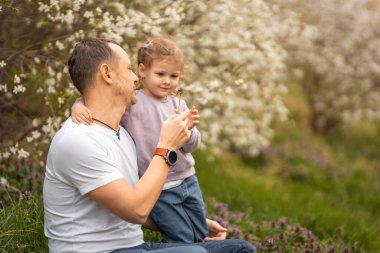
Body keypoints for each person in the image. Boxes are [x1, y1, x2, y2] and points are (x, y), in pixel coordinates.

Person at [43, 38, 255, 253]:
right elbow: (137, 211)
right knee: (195, 252)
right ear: (107, 74)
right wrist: (166, 147)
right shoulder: (78, 141)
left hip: (135, 246)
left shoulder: (122, 134)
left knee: (240, 249)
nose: (136, 77)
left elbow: (129, 203)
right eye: (128, 68)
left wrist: (192, 221)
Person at [71, 37, 208, 243]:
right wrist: (78, 105)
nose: (167, 81)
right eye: (160, 74)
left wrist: (189, 131)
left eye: (174, 76)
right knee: (181, 237)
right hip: (160, 187)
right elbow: (98, 101)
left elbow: (191, 146)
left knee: (201, 233)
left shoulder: (178, 104)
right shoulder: (132, 102)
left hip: (188, 179)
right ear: (142, 71)